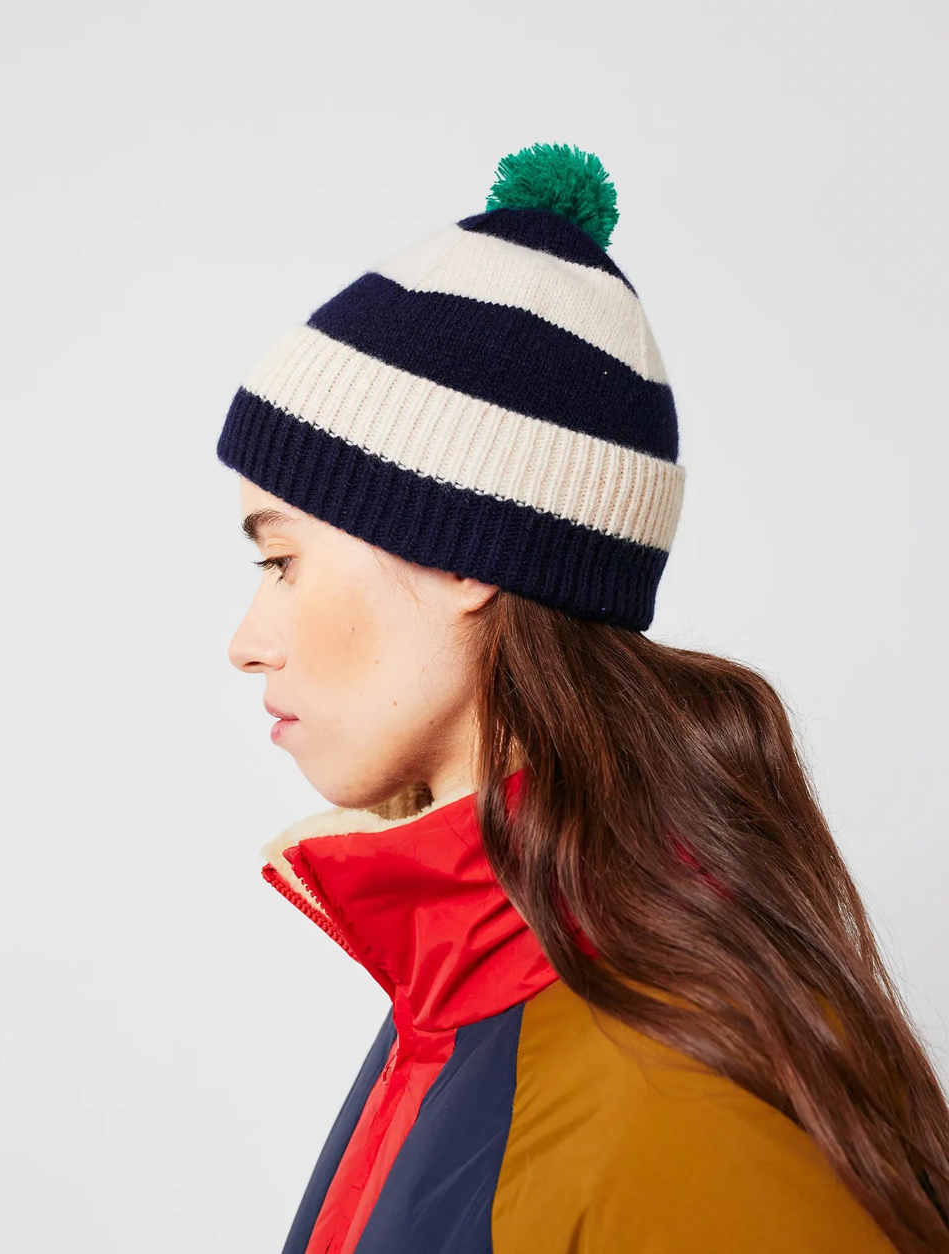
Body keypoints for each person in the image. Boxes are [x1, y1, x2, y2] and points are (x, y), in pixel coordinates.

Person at [216, 142, 949, 1253]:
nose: (246, 642)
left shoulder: (669, 1096)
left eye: (280, 561)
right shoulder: (463, 993)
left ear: (456, 552)